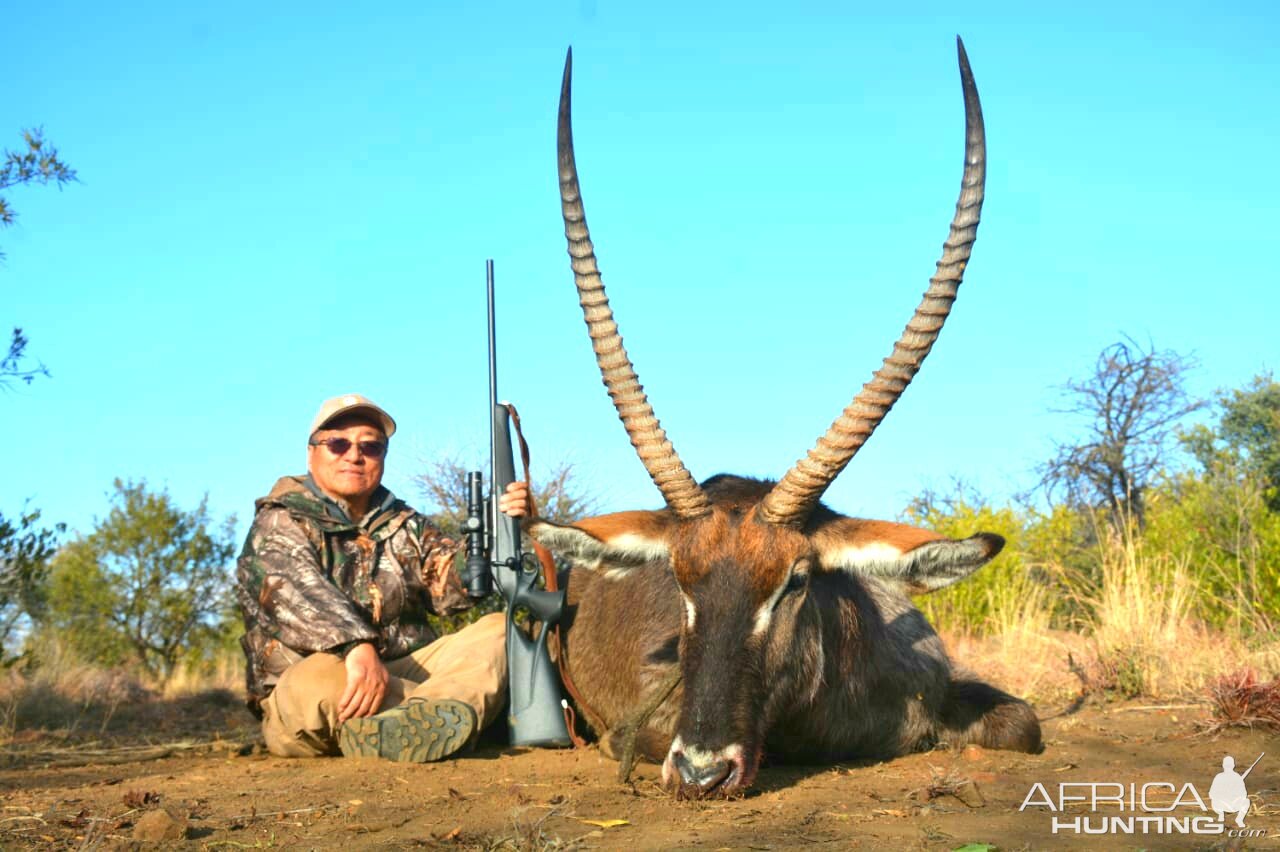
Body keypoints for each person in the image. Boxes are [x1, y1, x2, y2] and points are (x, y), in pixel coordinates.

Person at [235, 394, 530, 762]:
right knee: (318, 683)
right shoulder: (280, 519)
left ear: (383, 458)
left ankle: (422, 722)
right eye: (338, 444)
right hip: (325, 678)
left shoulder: (405, 523)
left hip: (400, 672)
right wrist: (356, 646)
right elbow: (296, 592)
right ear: (311, 453)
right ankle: (450, 715)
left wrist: (500, 530)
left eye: (370, 447)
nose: (354, 455)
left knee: (498, 632)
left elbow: (451, 588)